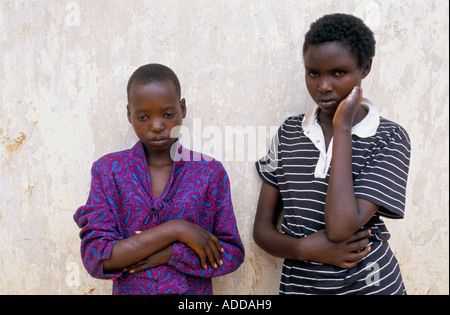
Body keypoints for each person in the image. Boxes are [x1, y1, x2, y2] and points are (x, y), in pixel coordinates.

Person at [253, 13, 411, 295]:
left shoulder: (389, 137)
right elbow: (262, 228)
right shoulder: (289, 132)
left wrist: (342, 128)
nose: (323, 86)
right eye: (313, 73)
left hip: (370, 285)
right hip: (302, 287)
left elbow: (340, 228)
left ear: (365, 68)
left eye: (338, 73)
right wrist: (301, 248)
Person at [74, 63, 244, 295]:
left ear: (182, 109)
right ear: (129, 114)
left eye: (168, 114)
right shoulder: (109, 171)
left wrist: (171, 254)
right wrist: (176, 230)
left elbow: (232, 254)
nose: (157, 125)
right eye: (143, 116)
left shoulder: (209, 172)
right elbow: (98, 258)